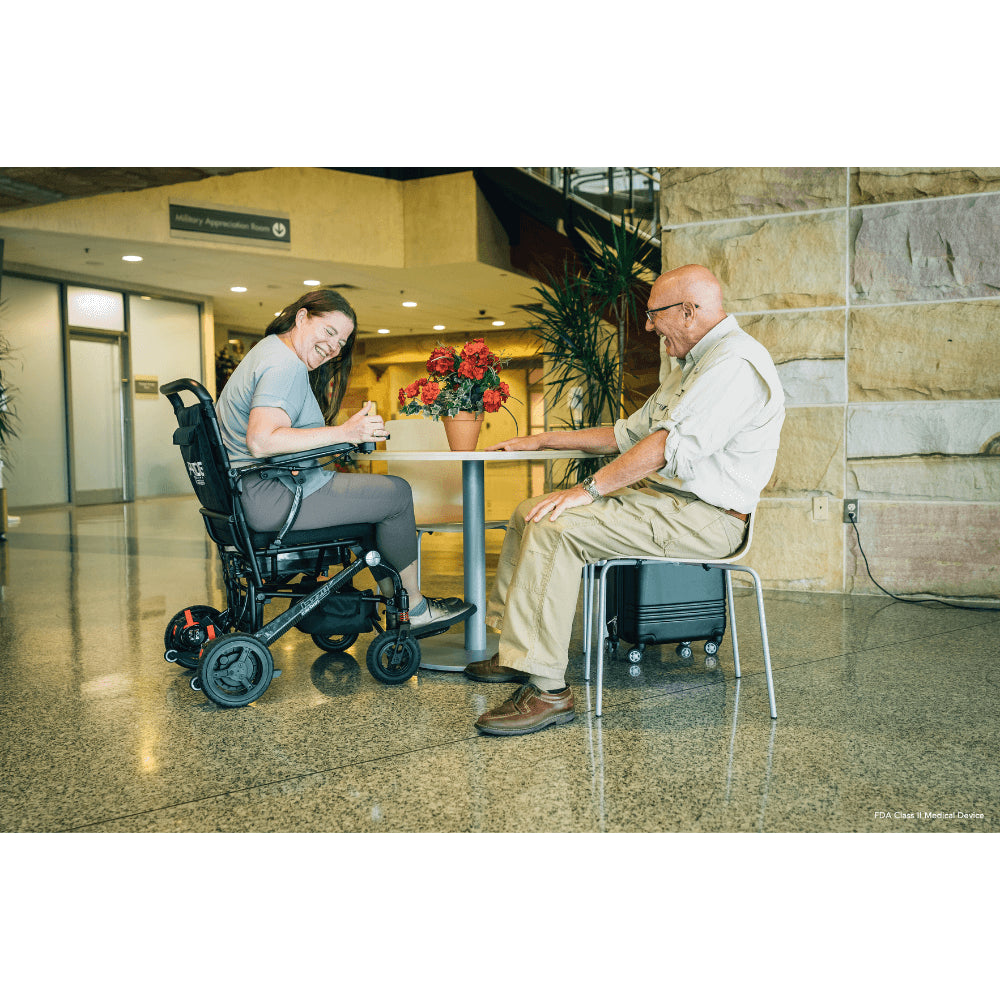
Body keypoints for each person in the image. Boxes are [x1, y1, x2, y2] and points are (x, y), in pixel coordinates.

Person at [466, 264, 785, 736]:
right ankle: (519, 654)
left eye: (654, 315)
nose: (649, 326)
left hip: (708, 518)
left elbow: (662, 447)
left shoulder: (734, 364)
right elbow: (627, 434)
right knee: (530, 511)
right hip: (666, 505)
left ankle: (549, 692)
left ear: (689, 311)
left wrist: (587, 490)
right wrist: (542, 439)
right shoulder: (691, 365)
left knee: (556, 527)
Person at [216, 286, 472, 632]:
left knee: (371, 503)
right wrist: (345, 433)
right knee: (396, 493)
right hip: (273, 497)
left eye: (341, 342)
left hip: (251, 493)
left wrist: (344, 435)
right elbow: (262, 441)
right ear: (302, 317)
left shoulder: (267, 351)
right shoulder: (284, 365)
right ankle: (414, 608)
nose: (333, 347)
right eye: (329, 331)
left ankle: (399, 605)